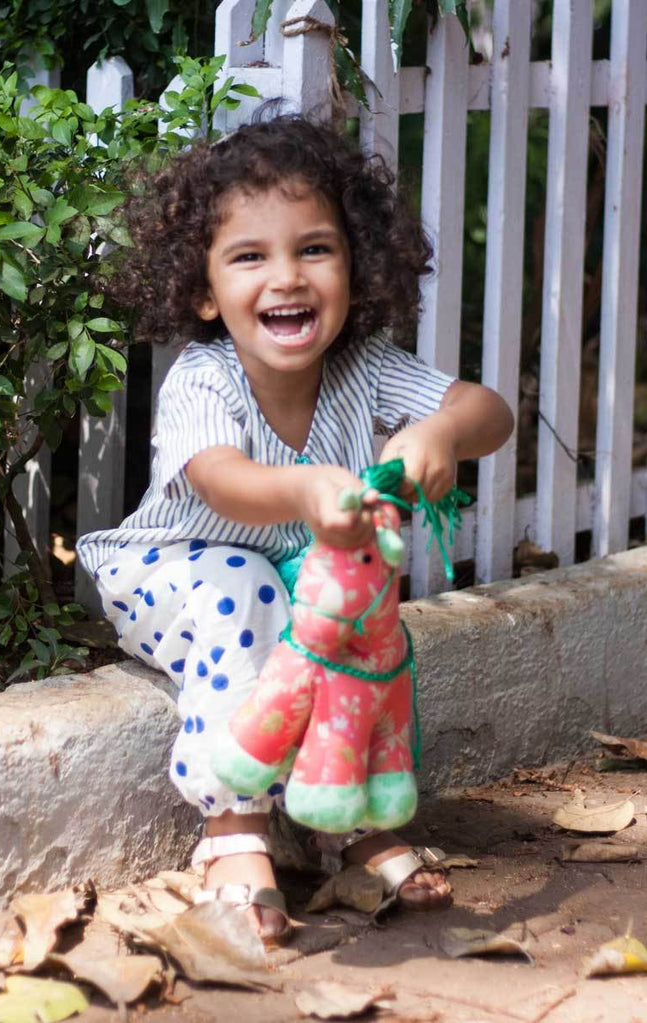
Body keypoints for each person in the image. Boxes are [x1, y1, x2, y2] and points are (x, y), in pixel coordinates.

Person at [77, 113, 514, 946]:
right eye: (250, 256)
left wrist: (439, 431)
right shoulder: (204, 378)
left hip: (294, 582)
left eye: (314, 248)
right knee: (247, 589)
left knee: (359, 624)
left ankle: (348, 818)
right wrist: (305, 487)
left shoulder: (365, 365)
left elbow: (487, 410)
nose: (286, 277)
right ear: (204, 290)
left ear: (356, 265)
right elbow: (224, 482)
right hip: (171, 572)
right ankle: (232, 825)